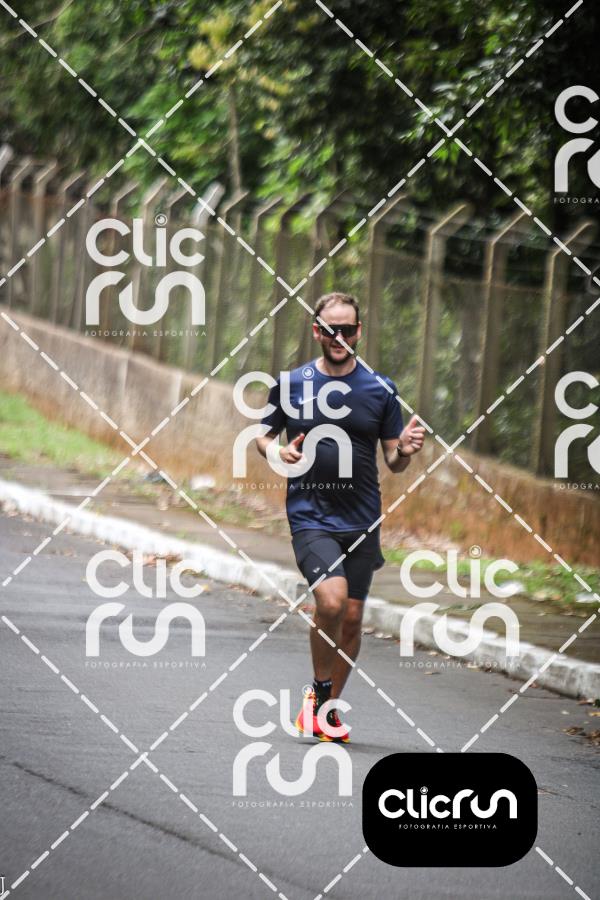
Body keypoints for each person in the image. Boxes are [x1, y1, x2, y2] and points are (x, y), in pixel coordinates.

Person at [255, 292, 425, 741]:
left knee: (351, 618)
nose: (339, 337)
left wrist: (406, 450)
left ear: (358, 332)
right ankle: (318, 693)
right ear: (317, 330)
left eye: (347, 329)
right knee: (330, 602)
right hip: (310, 515)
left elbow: (394, 460)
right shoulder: (292, 383)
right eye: (330, 329)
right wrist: (278, 452)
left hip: (363, 520)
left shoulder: (380, 389)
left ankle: (325, 712)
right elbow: (262, 437)